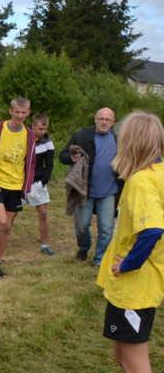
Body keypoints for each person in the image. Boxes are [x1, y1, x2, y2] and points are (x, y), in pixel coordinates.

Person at [94, 112, 164, 373]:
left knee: (137, 367)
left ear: (132, 142)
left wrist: (130, 264)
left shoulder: (141, 181)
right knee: (124, 359)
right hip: (128, 292)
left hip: (136, 289)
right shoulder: (152, 175)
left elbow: (153, 230)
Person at [0, 97, 36, 279]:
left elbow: (31, 161)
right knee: (2, 222)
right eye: (17, 112)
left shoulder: (30, 134)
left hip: (17, 186)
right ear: (10, 111)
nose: (20, 115)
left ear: (28, 113)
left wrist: (29, 183)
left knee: (8, 226)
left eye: (23, 113)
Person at [61, 108, 121, 265]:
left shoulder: (119, 138)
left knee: (107, 229)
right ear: (95, 119)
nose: (104, 122)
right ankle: (84, 247)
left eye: (108, 120)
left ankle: (100, 259)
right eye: (101, 119)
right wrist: (72, 158)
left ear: (113, 122)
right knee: (82, 227)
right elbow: (63, 155)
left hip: (109, 192)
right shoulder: (81, 136)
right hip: (84, 192)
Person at [23, 113, 55, 255]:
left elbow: (49, 165)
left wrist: (43, 182)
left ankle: (44, 245)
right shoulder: (22, 139)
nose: (43, 132)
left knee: (43, 213)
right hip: (20, 182)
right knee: (9, 216)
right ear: (33, 126)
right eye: (40, 129)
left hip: (38, 182)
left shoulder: (47, 142)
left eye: (45, 129)